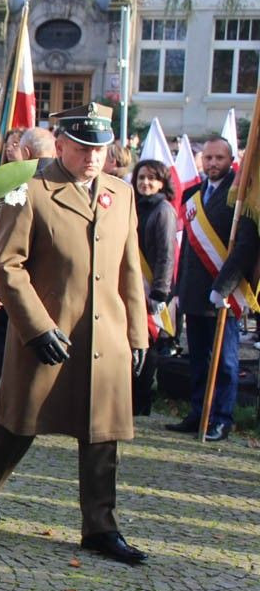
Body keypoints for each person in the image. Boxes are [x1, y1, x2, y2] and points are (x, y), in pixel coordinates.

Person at [0, 103, 149, 565]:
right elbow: (8, 264)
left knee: (101, 432)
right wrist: (36, 325)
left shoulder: (120, 194)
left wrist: (137, 332)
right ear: (61, 143)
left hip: (103, 332)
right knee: (21, 422)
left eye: (100, 148)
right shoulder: (30, 188)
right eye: (83, 147)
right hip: (47, 329)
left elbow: (130, 268)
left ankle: (100, 527)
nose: (92, 157)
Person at [165, 136, 258, 442]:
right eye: (208, 158)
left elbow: (244, 247)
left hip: (223, 294)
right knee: (198, 359)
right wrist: (178, 289)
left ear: (230, 161)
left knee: (226, 362)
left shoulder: (239, 195)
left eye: (219, 158)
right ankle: (198, 413)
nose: (212, 164)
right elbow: (189, 249)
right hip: (194, 292)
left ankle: (220, 418)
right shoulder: (195, 193)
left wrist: (225, 287)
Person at [131, 158, 177, 416]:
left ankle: (142, 402)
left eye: (151, 178)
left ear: (161, 182)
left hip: (152, 290)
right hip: (133, 286)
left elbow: (166, 255)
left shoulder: (163, 210)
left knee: (147, 346)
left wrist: (159, 291)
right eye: (141, 177)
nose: (145, 183)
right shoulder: (134, 206)